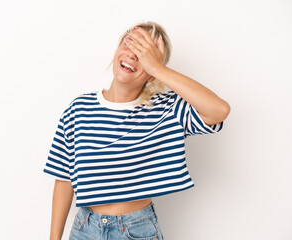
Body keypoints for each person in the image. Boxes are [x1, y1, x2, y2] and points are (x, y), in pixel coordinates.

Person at [43, 21, 230, 240]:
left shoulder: (167, 109)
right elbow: (64, 178)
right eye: (130, 44)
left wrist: (159, 69)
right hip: (85, 229)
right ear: (116, 52)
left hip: (136, 230)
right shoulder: (78, 108)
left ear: (152, 74)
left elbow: (219, 110)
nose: (133, 55)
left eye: (145, 53)